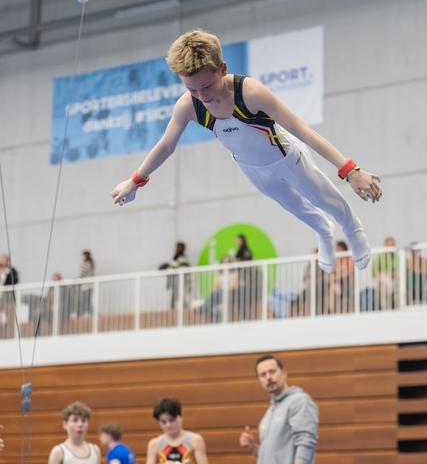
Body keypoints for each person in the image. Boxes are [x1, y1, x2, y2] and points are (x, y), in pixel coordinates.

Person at [111, 30, 382, 273]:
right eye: (191, 88)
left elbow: (303, 131)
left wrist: (350, 171)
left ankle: (353, 229)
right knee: (295, 207)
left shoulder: (249, 92)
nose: (202, 95)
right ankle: (324, 232)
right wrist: (135, 180)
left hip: (287, 158)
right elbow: (166, 146)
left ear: (222, 68)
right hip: (251, 168)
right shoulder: (188, 105)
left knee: (323, 199)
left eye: (207, 86)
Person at [158, 242, 191, 309]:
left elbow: (181, 266)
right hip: (175, 278)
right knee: (176, 293)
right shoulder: (176, 256)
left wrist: (170, 267)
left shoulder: (182, 257)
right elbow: (173, 265)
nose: (176, 248)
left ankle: (182, 306)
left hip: (179, 278)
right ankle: (177, 306)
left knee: (177, 293)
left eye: (178, 247)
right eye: (176, 247)